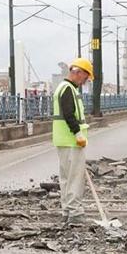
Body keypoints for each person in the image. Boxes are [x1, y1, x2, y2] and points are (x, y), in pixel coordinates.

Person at [52, 57, 93, 224]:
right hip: (71, 141)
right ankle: (75, 212)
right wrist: (78, 134)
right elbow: (69, 114)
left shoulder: (63, 88)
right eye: (85, 77)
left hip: (63, 140)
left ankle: (67, 210)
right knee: (75, 178)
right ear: (78, 72)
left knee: (66, 178)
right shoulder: (67, 89)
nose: (85, 81)